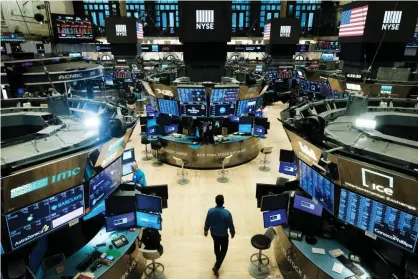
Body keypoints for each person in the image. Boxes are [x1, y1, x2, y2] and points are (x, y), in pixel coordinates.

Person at [204, 195, 235, 276]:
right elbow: (230, 225)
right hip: (223, 236)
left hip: (214, 234)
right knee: (224, 250)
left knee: (216, 246)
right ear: (223, 202)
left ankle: (218, 259)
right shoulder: (227, 213)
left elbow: (207, 221)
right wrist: (232, 232)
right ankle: (217, 266)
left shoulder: (210, 211)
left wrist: (205, 230)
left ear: (215, 201)